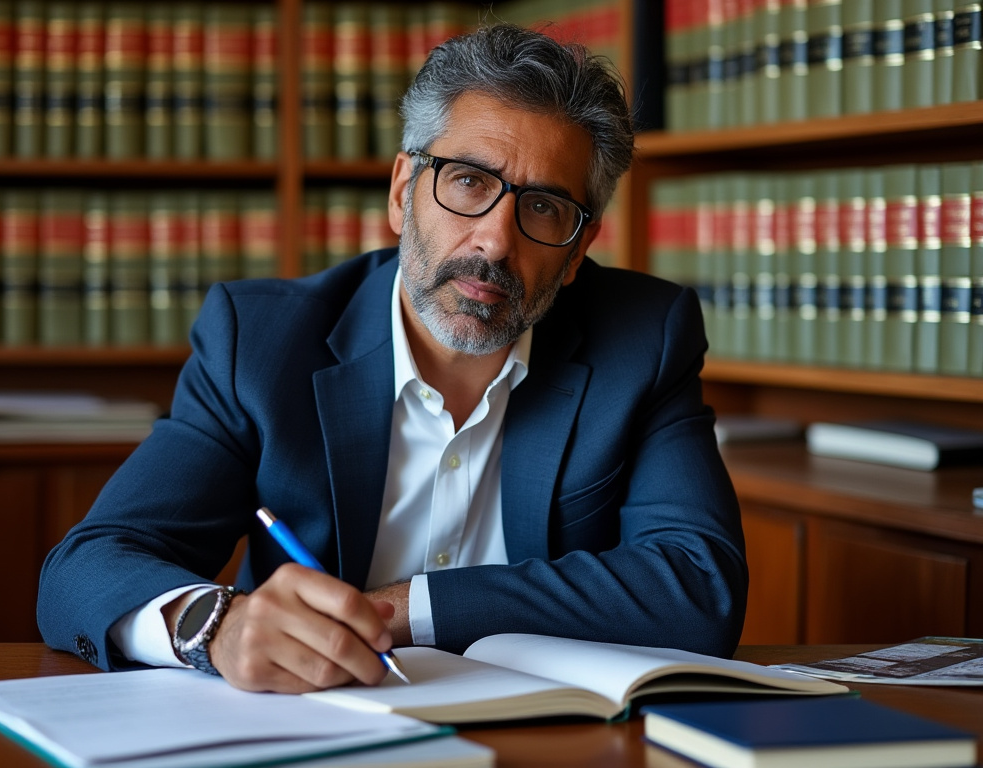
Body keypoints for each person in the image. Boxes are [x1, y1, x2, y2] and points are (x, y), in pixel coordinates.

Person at [38, 23, 747, 694]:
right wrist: (215, 627)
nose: (495, 241)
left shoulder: (644, 337)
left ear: (579, 249)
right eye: (468, 181)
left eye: (542, 208)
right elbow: (86, 568)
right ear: (404, 190)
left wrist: (407, 610)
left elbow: (700, 586)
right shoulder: (258, 342)